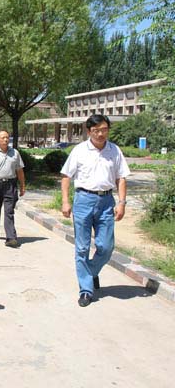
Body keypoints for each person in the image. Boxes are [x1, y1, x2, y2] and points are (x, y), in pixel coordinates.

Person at [60, 114, 129, 307]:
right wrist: (65, 201)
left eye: (104, 129)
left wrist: (122, 202)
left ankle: (90, 272)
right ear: (89, 131)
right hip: (83, 200)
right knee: (82, 247)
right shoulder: (79, 150)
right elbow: (66, 176)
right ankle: (86, 290)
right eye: (96, 130)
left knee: (106, 247)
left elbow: (121, 178)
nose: (100, 134)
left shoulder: (114, 150)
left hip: (106, 201)